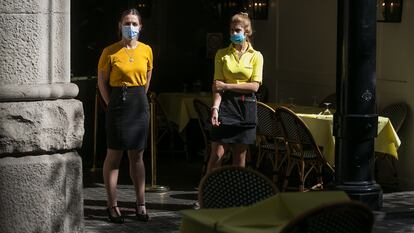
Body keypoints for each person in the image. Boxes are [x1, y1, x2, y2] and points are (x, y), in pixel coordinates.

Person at [97, 8, 153, 223]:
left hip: (139, 101)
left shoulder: (147, 50)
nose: (131, 27)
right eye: (127, 23)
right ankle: (112, 205)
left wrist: (139, 98)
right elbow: (102, 81)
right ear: (120, 25)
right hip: (117, 101)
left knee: (137, 155)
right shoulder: (109, 51)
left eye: (134, 23)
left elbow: (148, 77)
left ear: (140, 27)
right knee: (114, 154)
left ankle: (141, 203)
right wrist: (111, 103)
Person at [207, 12, 263, 173]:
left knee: (240, 156)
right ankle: (208, 192)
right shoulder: (222, 54)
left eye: (237, 30)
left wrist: (227, 86)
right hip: (226, 105)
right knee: (217, 153)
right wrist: (215, 108)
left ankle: (237, 194)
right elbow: (217, 85)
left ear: (247, 32)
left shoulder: (256, 56)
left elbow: (255, 87)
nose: (233, 34)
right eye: (231, 30)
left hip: (246, 107)